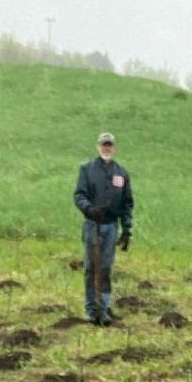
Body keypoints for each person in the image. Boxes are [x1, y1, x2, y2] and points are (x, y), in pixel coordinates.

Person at [73, 131, 133, 325]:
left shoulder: (121, 173)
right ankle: (91, 310)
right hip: (92, 225)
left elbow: (127, 203)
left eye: (109, 145)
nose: (106, 148)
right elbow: (79, 195)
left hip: (110, 226)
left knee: (105, 267)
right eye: (103, 144)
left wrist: (126, 229)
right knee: (91, 267)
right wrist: (89, 209)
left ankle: (103, 309)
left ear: (114, 147)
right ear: (98, 146)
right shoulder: (87, 169)